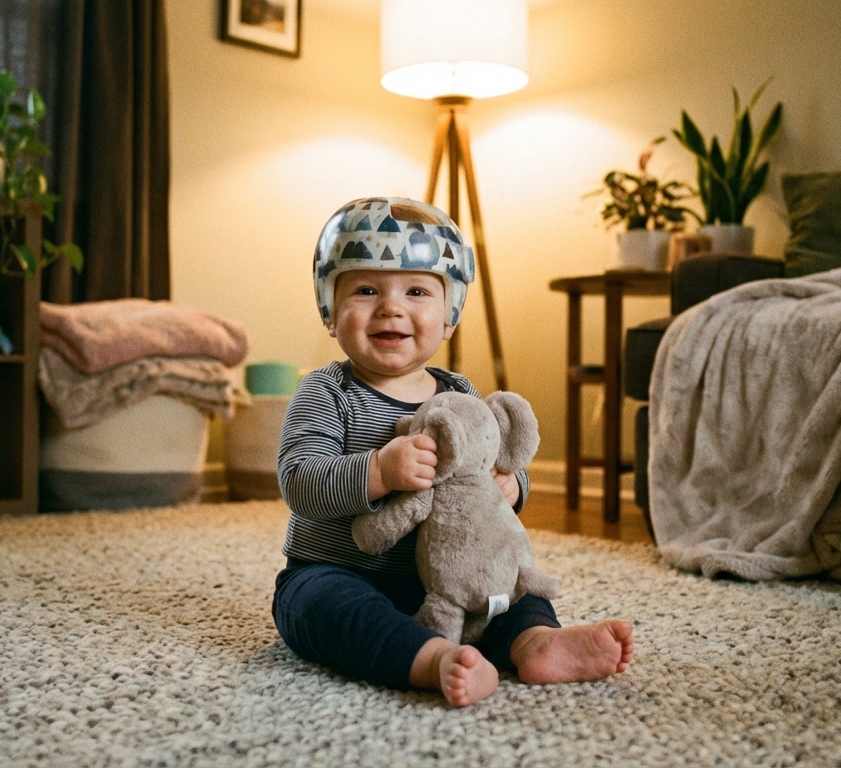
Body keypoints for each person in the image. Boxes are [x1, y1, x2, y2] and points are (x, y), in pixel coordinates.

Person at [271, 197, 634, 707]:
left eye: (417, 291)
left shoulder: (459, 392)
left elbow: (493, 462)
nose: (391, 307)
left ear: (449, 318)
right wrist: (378, 469)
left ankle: (537, 643)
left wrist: (513, 485)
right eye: (367, 289)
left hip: (453, 583)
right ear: (331, 311)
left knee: (513, 594)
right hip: (341, 570)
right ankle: (430, 659)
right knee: (320, 608)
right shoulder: (326, 391)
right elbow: (300, 480)